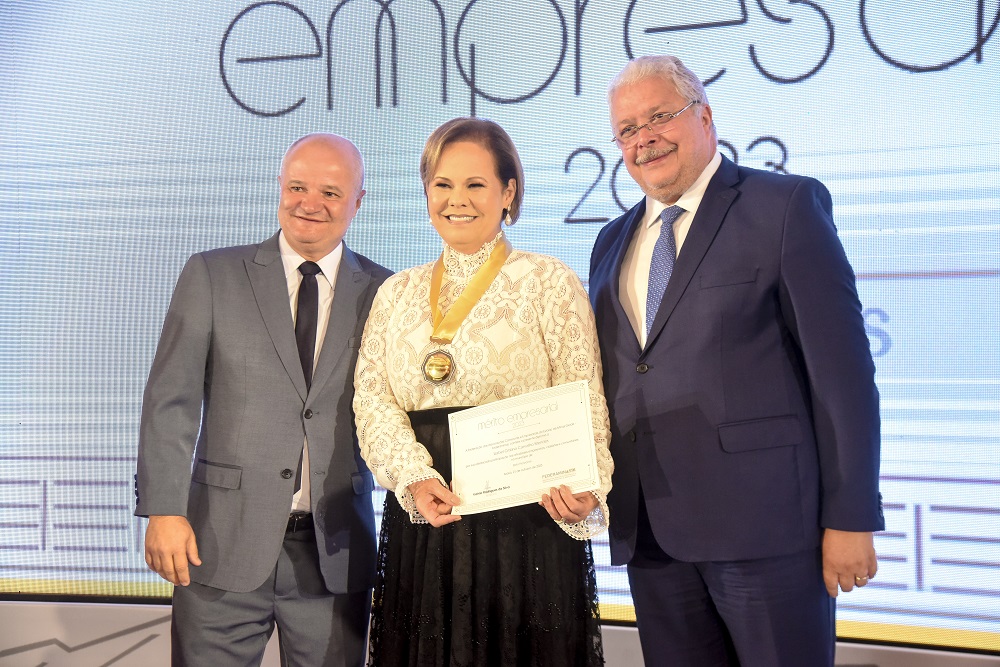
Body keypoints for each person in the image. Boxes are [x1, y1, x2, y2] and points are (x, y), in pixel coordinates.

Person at [589, 55, 884, 666]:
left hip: (768, 533)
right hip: (652, 537)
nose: (644, 139)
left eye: (660, 117)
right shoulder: (610, 241)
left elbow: (843, 376)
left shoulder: (785, 206)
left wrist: (851, 515)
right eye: (627, 129)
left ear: (705, 116)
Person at [353, 117, 614, 666]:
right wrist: (414, 477)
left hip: (526, 523)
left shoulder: (549, 281)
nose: (457, 200)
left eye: (475, 184)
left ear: (508, 192)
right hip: (428, 517)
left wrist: (588, 487)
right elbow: (373, 400)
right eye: (442, 184)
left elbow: (584, 394)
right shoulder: (395, 292)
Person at [135, 133, 391, 667]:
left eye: (330, 192)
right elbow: (170, 400)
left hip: (334, 552)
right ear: (279, 186)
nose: (309, 204)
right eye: (297, 187)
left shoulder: (386, 292)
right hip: (217, 544)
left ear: (359, 201)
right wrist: (163, 509)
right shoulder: (213, 275)